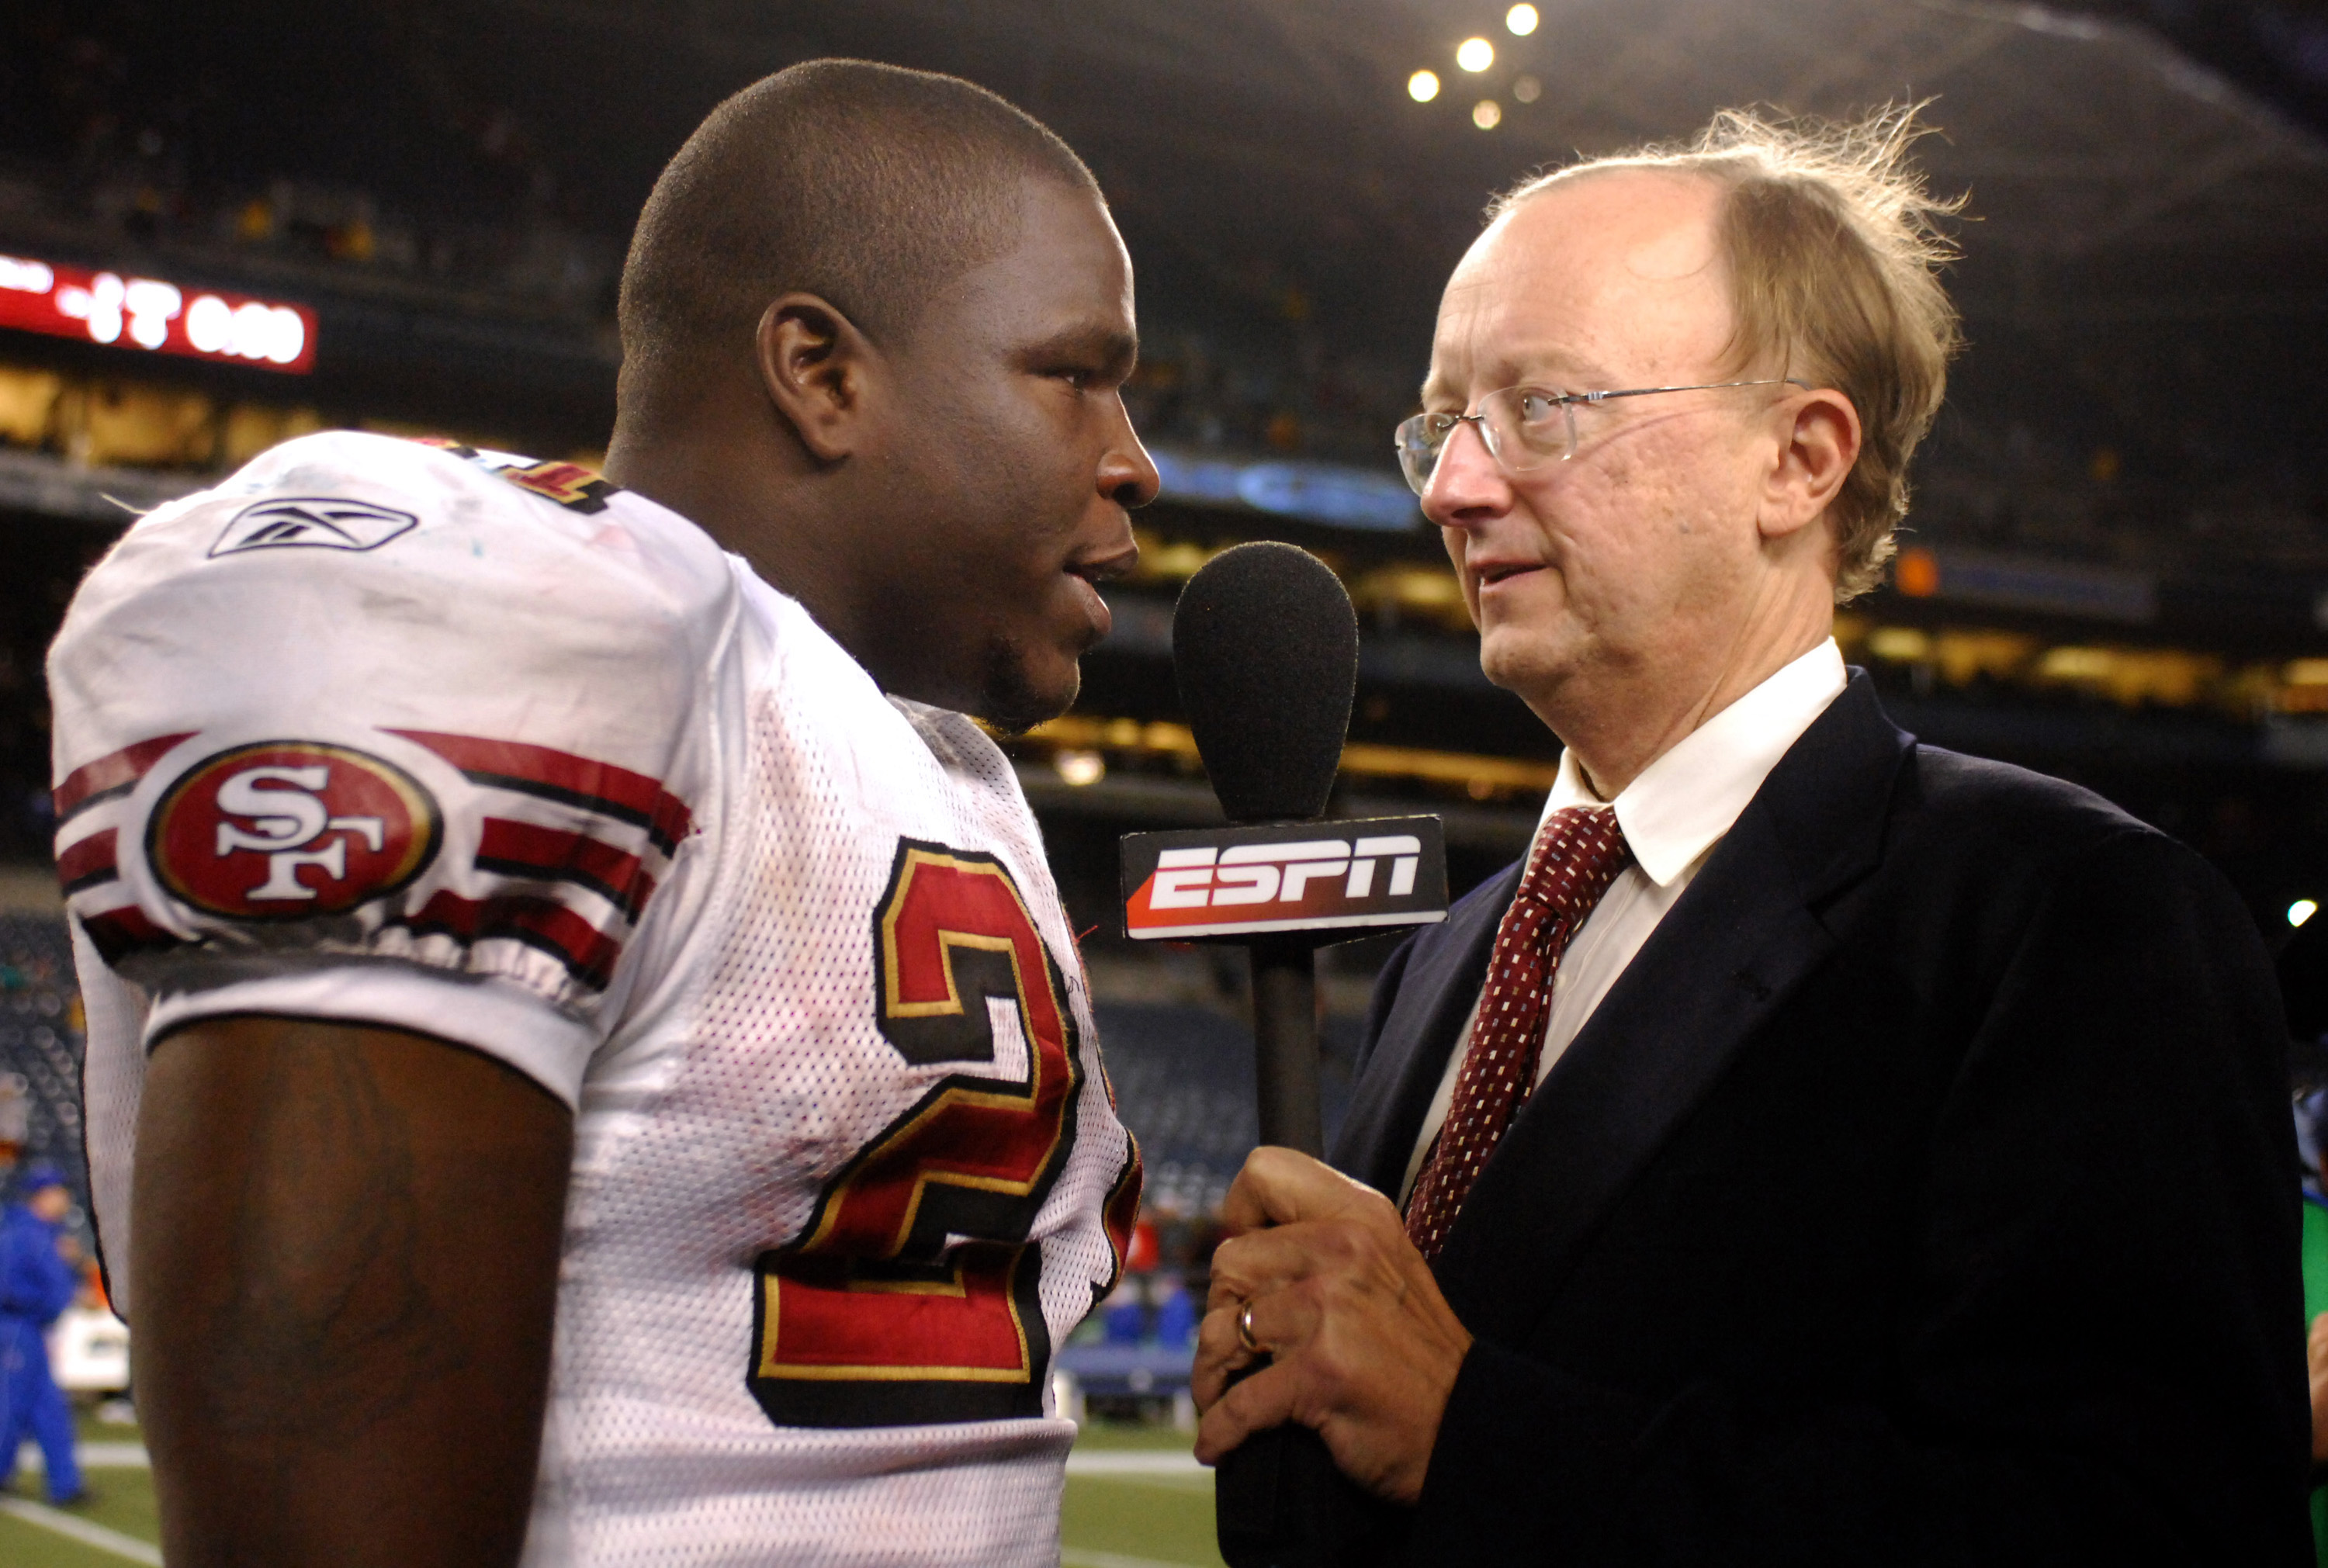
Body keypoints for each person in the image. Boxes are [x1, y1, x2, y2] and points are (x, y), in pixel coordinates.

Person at [48, 60, 1154, 1566]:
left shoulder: (945, 764)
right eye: (1076, 371)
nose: (1132, 458)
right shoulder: (502, 600)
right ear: (824, 373)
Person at [1190, 107, 2309, 1563]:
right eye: (1446, 420)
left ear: (1800, 458)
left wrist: (1479, 1430)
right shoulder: (1452, 958)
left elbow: (2153, 1533)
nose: (1453, 487)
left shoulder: (2072, 919)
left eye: (1543, 407)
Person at [0, 1163, 84, 1507]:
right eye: (57, 1192)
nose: (63, 1199)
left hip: (34, 1328)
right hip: (18, 1327)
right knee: (11, 1405)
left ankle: (65, 1485)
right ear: (42, 1195)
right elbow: (7, 1285)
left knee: (49, 1408)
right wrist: (43, 1304)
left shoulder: (46, 1234)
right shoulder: (23, 1234)